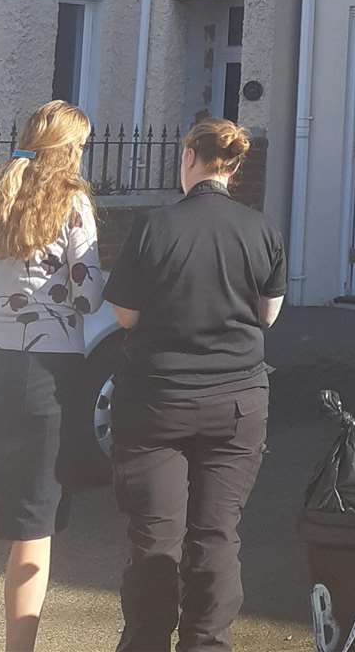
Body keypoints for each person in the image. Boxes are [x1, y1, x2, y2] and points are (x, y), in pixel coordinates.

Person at [105, 119, 286, 652]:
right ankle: (207, 643)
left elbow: (124, 315)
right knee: (215, 536)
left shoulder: (153, 227)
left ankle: (144, 642)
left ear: (189, 158)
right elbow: (267, 316)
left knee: (154, 538)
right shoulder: (261, 229)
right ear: (232, 166)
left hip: (156, 403)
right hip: (236, 404)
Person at [0, 100, 104, 652]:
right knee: (34, 519)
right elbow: (88, 295)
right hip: (50, 373)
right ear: (69, 148)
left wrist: (1, 304)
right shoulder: (72, 203)